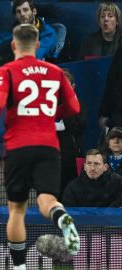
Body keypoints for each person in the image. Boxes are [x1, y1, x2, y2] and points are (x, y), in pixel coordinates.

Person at [0, 24, 80, 269]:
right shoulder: (55, 71)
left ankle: (19, 267)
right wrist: (49, 114)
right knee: (47, 200)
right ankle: (62, 217)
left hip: (18, 146)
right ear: (38, 46)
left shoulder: (7, 70)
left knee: (16, 209)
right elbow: (74, 109)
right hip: (48, 146)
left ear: (14, 45)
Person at [0, 0, 59, 66]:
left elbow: (37, 54)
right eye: (18, 12)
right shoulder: (11, 31)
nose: (22, 14)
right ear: (15, 16)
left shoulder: (48, 32)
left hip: (38, 72)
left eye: (25, 10)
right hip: (15, 69)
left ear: (34, 11)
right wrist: (16, 36)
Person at [56, 68, 86, 198]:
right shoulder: (46, 104)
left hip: (70, 157)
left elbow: (78, 127)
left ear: (73, 86)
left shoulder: (79, 105)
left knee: (69, 194)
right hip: (50, 157)